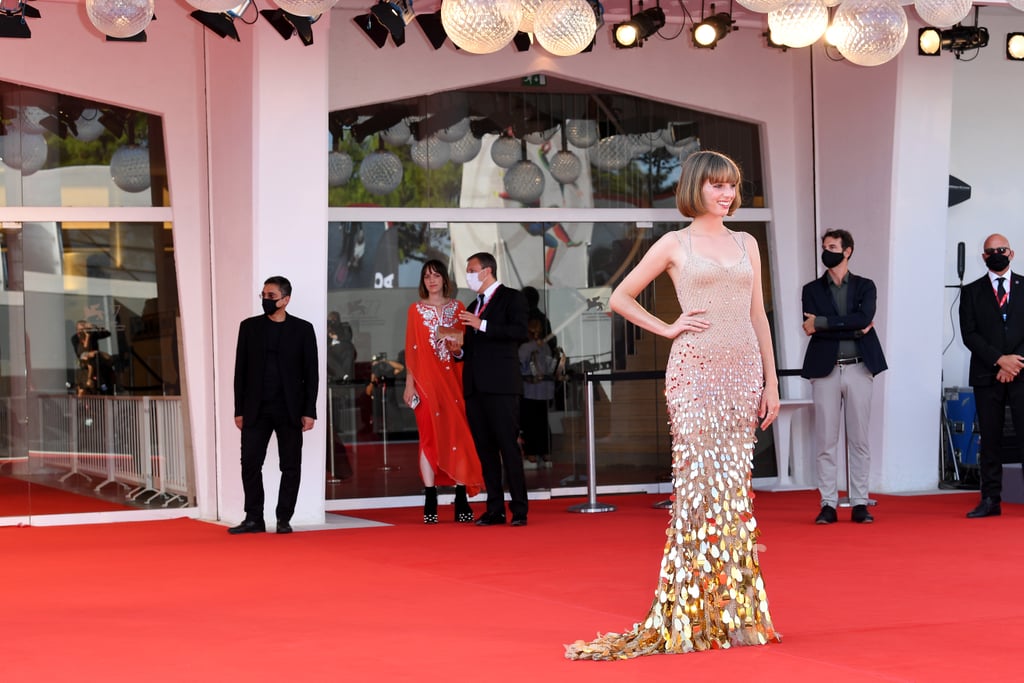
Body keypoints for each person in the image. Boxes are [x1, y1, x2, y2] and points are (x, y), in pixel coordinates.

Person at [565, 150, 780, 660]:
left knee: (733, 497)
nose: (727, 195)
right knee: (697, 495)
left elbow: (759, 316)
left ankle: (733, 615)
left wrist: (771, 383)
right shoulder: (673, 242)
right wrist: (667, 328)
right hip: (694, 375)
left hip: (743, 373)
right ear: (695, 189)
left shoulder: (746, 241)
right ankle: (685, 614)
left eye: (732, 186)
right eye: (717, 186)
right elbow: (621, 296)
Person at [800, 229, 888, 525]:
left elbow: (864, 320)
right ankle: (828, 503)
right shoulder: (811, 289)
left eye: (833, 246)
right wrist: (847, 326)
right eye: (825, 247)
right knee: (826, 440)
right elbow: (811, 327)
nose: (827, 251)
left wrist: (826, 323)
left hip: (860, 367)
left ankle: (860, 502)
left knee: (859, 439)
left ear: (847, 251)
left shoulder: (866, 286)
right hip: (825, 371)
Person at [230, 276, 318, 535]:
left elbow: (311, 374)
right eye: (264, 296)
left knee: (290, 466)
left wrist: (309, 411)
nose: (266, 300)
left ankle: (284, 518)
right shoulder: (249, 328)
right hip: (256, 409)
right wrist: (239, 409)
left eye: (271, 296)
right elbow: (240, 372)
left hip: (290, 409)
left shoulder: (303, 329)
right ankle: (254, 518)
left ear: (285, 300)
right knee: (249, 463)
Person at [447, 252, 530, 527]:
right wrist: (458, 351)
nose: (468, 275)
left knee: (508, 447)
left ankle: (518, 509)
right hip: (475, 388)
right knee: (485, 451)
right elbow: (471, 349)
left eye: (471, 269)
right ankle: (494, 509)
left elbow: (518, 332)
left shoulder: (511, 298)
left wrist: (481, 324)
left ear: (487, 270)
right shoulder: (474, 305)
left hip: (502, 386)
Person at [403, 259, 485, 524]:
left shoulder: (457, 307)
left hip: (453, 382)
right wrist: (409, 384)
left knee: (459, 435)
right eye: (427, 276)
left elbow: (463, 348)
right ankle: (430, 496)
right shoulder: (415, 310)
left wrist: (456, 348)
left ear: (444, 279)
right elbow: (412, 350)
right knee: (428, 437)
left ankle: (461, 495)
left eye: (436, 275)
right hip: (425, 385)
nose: (431, 280)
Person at [958, 233, 1024, 518]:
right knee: (991, 438)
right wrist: (999, 361)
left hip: (1022, 372)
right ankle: (990, 500)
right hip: (988, 374)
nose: (996, 253)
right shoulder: (971, 291)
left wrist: (1014, 363)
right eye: (990, 251)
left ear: (1011, 253)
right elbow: (969, 334)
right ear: (984, 257)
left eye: (1001, 249)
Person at [519, 318, 557, 467]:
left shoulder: (524, 348)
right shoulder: (545, 346)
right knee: (542, 422)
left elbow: (518, 364)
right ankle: (546, 453)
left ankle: (532, 454)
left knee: (529, 423)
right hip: (545, 391)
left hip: (530, 390)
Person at [71, 320, 114, 395]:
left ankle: (106, 393)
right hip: (84, 367)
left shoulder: (91, 335)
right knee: (84, 387)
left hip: (95, 365)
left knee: (103, 384)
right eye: (80, 330)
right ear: (77, 330)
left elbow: (107, 333)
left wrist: (95, 327)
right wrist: (88, 353)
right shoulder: (75, 338)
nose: (81, 332)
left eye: (84, 329)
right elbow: (81, 353)